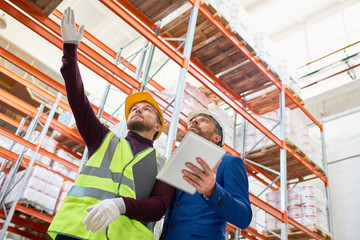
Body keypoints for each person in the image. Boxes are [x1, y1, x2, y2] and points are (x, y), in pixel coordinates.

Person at [47, 7, 174, 240]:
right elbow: (77, 98)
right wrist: (70, 51)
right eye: (134, 108)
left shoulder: (164, 165)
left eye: (147, 109)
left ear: (158, 127)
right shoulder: (103, 140)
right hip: (78, 231)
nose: (138, 109)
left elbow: (159, 207)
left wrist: (121, 205)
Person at [160, 109, 252, 240]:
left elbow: (244, 218)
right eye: (192, 121)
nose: (195, 121)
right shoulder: (177, 165)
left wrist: (213, 191)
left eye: (204, 120)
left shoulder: (229, 163)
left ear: (216, 138)